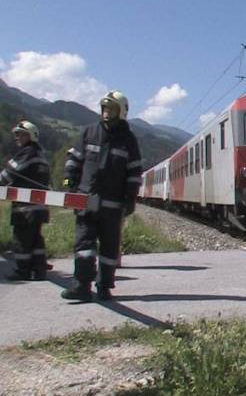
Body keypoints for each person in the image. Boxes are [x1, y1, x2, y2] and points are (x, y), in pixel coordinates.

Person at [61, 90, 142, 301]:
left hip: (113, 206)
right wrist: (69, 183)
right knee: (84, 245)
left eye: (111, 109)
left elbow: (134, 173)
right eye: (104, 108)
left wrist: (130, 199)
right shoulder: (88, 132)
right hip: (86, 201)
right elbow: (73, 161)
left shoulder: (129, 140)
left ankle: (104, 287)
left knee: (109, 248)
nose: (106, 113)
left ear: (121, 112)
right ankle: (81, 286)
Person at [0, 121, 51, 281]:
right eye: (16, 134)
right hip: (39, 207)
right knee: (36, 239)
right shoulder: (40, 153)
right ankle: (39, 269)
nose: (17, 137)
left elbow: (10, 173)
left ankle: (23, 271)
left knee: (21, 239)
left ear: (31, 136)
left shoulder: (27, 152)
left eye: (21, 134)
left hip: (25, 208)